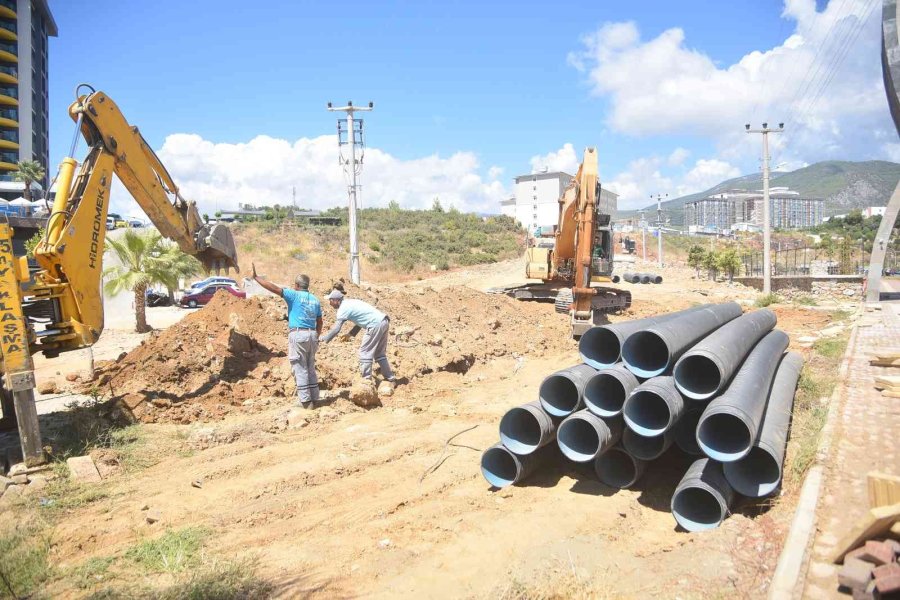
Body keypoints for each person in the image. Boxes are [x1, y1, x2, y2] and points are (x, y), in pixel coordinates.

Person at [251, 264, 322, 408]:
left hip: (298, 334)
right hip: (312, 334)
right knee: (310, 366)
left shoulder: (293, 295)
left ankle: (305, 402)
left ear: (297, 285)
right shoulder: (315, 299)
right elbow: (320, 321)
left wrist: (256, 278)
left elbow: (274, 288)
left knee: (299, 367)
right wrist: (316, 336)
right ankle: (315, 398)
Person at [321, 288, 396, 387]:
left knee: (365, 352)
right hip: (383, 321)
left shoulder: (343, 308)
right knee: (379, 353)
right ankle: (390, 379)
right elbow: (361, 319)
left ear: (336, 300)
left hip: (374, 324)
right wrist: (350, 334)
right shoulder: (351, 302)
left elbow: (336, 329)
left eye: (330, 300)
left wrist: (324, 340)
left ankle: (366, 381)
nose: (330, 303)